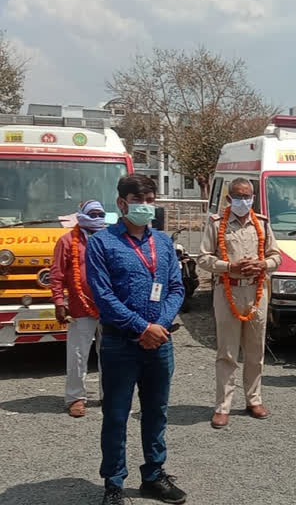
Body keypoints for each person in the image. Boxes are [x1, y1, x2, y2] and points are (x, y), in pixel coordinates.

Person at [86, 175, 186, 505]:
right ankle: (113, 483)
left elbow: (176, 288)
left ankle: (153, 475)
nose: (145, 205)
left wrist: (157, 327)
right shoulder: (102, 243)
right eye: (138, 199)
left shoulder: (164, 243)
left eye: (150, 199)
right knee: (116, 415)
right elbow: (103, 296)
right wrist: (142, 328)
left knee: (156, 412)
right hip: (119, 344)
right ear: (122, 203)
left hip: (159, 344)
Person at [198, 178, 281, 429]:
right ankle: (223, 406)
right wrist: (229, 267)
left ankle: (253, 399)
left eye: (247, 196)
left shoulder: (262, 224)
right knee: (227, 352)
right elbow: (203, 257)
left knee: (255, 350)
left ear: (253, 197)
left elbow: (275, 256)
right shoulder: (216, 224)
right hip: (227, 292)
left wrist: (263, 265)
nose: (243, 201)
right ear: (228, 198)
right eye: (238, 196)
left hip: (256, 292)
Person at [50, 200, 106, 417]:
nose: (97, 217)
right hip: (79, 307)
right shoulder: (67, 241)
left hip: (109, 308)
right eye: (92, 213)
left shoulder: (109, 238)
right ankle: (75, 398)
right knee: (77, 354)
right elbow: (56, 275)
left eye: (100, 213)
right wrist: (58, 302)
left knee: (109, 354)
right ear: (81, 215)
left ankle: (108, 395)